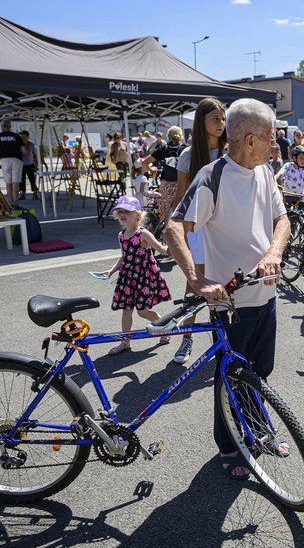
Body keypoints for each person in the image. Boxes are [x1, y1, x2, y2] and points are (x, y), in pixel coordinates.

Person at [164, 98, 291, 480]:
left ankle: (257, 430)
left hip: (265, 293)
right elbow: (174, 227)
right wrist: (196, 278)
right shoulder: (213, 177)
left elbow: (282, 220)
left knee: (259, 372)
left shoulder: (264, 171)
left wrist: (273, 251)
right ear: (250, 140)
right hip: (230, 301)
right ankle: (229, 445)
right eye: (270, 137)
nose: (275, 143)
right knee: (230, 376)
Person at [172, 97, 228, 365]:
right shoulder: (188, 155)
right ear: (201, 121)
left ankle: (223, 339)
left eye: (223, 118)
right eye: (215, 118)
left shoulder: (231, 152)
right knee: (195, 282)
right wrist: (178, 233)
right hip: (198, 227)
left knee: (227, 282)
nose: (221, 123)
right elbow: (182, 197)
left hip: (226, 226)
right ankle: (187, 336)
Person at [97, 195, 171, 355]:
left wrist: (175, 246)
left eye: (127, 211)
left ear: (137, 215)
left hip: (143, 278)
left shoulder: (143, 234)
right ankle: (125, 342)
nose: (122, 214)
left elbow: (161, 249)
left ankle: (164, 326)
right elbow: (124, 256)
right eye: (119, 211)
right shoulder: (121, 235)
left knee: (142, 311)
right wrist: (111, 270)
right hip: (127, 278)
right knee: (126, 311)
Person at [140, 126, 186, 224]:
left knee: (163, 215)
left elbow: (144, 162)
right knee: (182, 213)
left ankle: (163, 230)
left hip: (166, 186)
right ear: (181, 136)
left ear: (168, 136)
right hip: (182, 185)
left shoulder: (163, 149)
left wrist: (152, 170)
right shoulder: (185, 149)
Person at [0, 121, 24, 205]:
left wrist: (2, 155)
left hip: (5, 160)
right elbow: (24, 150)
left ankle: (11, 203)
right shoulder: (16, 136)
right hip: (16, 159)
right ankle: (15, 203)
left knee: (8, 182)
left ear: (2, 127)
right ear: (10, 127)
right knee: (15, 183)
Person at [18, 131, 40, 200]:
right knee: (21, 180)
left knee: (32, 179)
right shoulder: (18, 145)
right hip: (21, 165)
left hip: (30, 164)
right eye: (22, 137)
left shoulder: (31, 145)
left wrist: (36, 164)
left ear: (28, 137)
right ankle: (23, 194)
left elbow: (35, 155)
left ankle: (35, 193)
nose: (23, 138)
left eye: (24, 137)